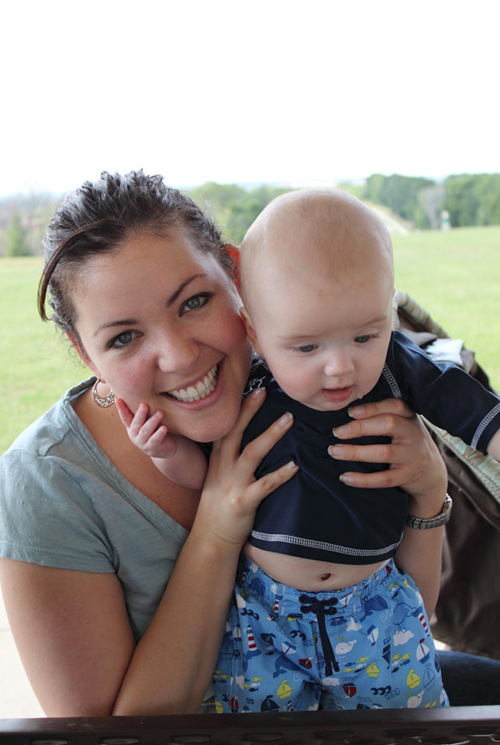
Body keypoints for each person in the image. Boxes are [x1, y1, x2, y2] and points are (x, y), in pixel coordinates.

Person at [0, 171, 472, 717]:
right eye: (124, 337)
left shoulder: (315, 369)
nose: (180, 357)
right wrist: (217, 532)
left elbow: (409, 617)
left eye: (194, 301)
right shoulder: (46, 484)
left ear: (237, 274)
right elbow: (112, 739)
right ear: (86, 355)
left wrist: (428, 495)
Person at [123, 188, 500, 712]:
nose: (340, 367)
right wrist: (166, 454)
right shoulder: (248, 388)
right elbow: (207, 477)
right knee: (260, 733)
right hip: (263, 617)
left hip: (376, 608)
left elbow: (471, 410)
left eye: (365, 336)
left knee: (410, 727)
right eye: (306, 347)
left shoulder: (396, 366)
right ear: (255, 332)